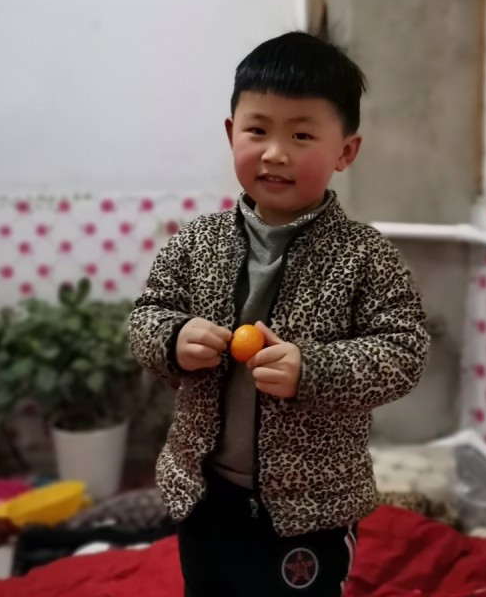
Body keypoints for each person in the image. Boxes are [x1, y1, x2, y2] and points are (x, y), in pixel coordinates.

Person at [129, 32, 429, 596]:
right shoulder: (196, 243)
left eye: (302, 135)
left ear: (345, 152)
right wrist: (173, 337)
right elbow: (147, 315)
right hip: (204, 490)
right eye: (258, 130)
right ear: (231, 134)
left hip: (311, 506)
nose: (275, 153)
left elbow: (403, 353)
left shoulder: (365, 255)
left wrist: (312, 369)